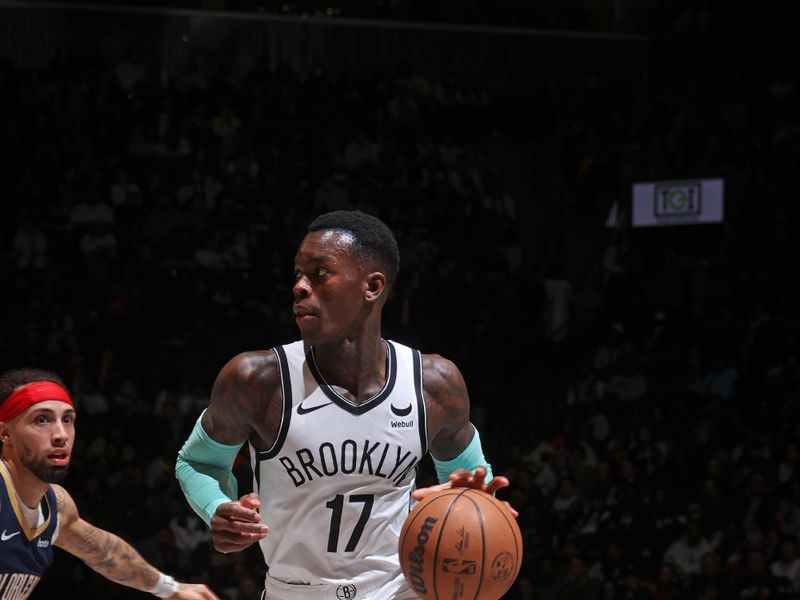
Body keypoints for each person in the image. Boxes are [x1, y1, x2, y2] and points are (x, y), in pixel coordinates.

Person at [176, 209, 513, 599]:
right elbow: (199, 461)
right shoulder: (257, 379)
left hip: (398, 590)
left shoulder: (434, 384)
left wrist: (474, 497)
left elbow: (468, 481)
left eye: (319, 273)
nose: (300, 287)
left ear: (371, 286)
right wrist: (218, 507)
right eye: (297, 275)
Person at [0, 368, 219, 600]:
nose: (60, 434)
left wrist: (171, 589)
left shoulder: (56, 506)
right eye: (41, 420)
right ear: (5, 434)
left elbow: (104, 552)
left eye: (67, 419)